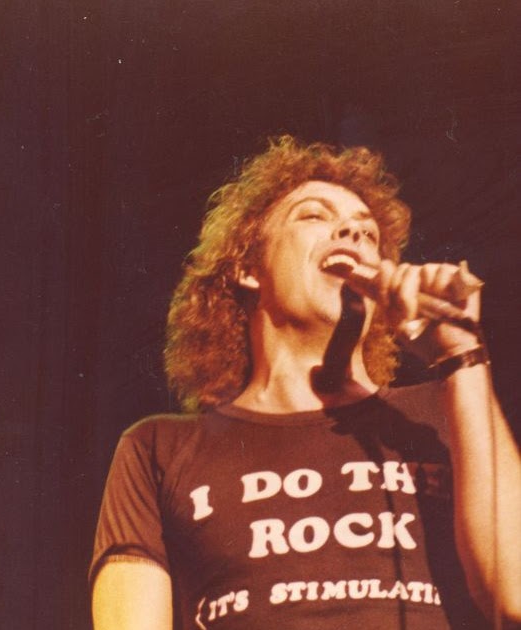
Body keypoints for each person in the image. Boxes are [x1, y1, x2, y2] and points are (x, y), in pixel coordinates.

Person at [90, 137, 520, 629]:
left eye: (368, 231)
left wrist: (461, 354)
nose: (353, 232)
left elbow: (515, 597)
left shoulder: (445, 413)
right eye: (314, 215)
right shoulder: (159, 449)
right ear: (248, 268)